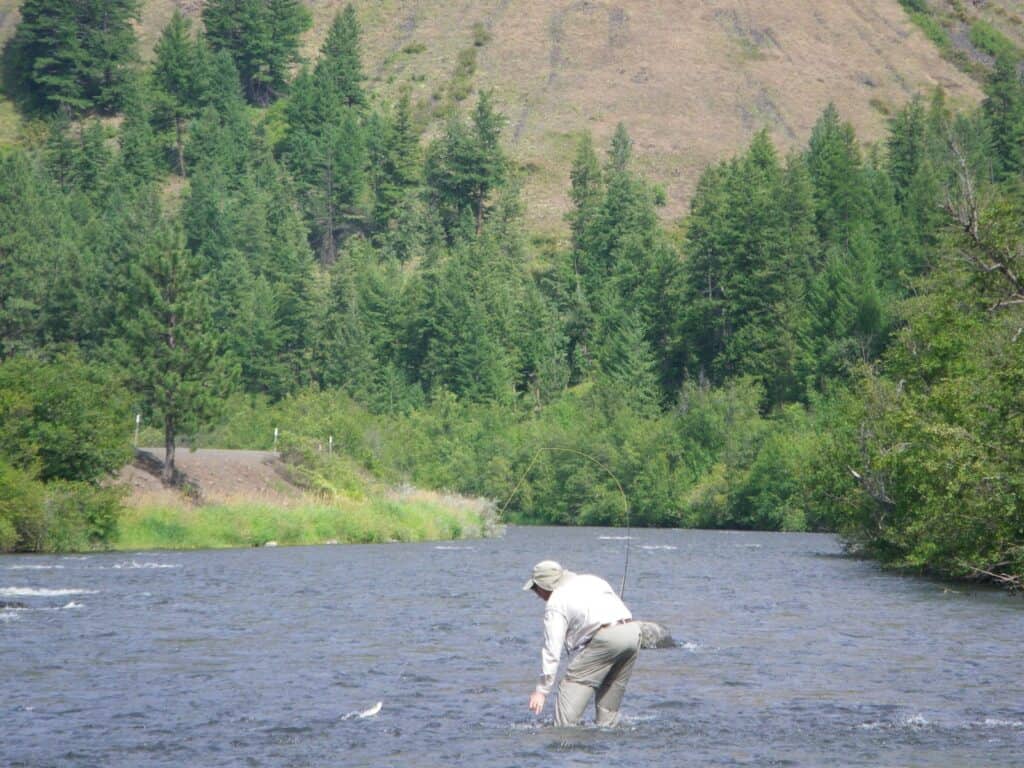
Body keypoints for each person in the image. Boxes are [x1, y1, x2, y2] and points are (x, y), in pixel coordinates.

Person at [523, 560, 641, 726]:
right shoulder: (591, 580)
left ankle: (563, 739)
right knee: (608, 713)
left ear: (544, 586)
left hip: (607, 640)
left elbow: (552, 650)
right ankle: (608, 736)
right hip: (632, 633)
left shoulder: (555, 602)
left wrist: (541, 691)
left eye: (536, 588)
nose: (537, 594)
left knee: (569, 692)